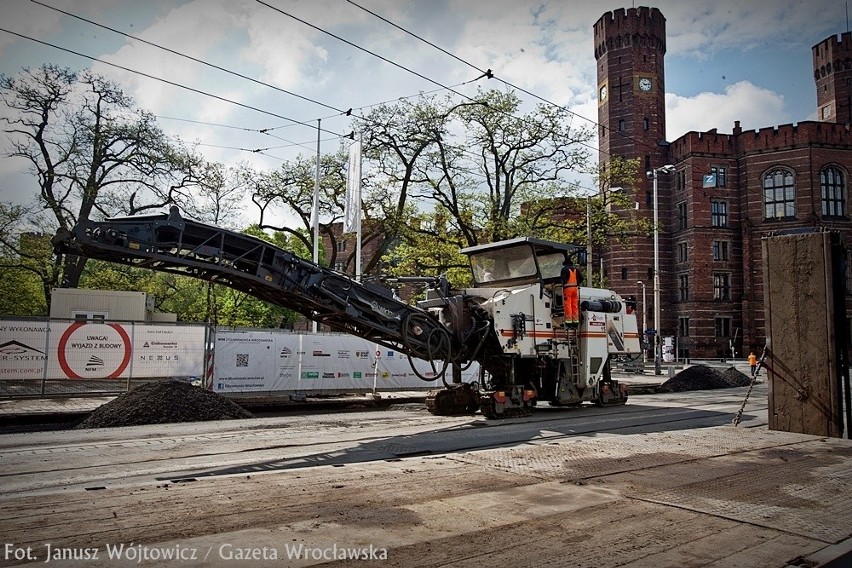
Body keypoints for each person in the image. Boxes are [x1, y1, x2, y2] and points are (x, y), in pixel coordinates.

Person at [561, 258, 582, 327]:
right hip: (575, 289)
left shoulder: (564, 269)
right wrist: (577, 283)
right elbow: (581, 278)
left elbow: (563, 280)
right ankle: (575, 322)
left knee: (568, 305)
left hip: (568, 289)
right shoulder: (576, 270)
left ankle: (569, 322)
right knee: (575, 305)